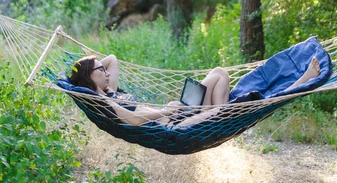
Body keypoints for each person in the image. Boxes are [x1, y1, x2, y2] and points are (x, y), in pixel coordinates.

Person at [69, 52, 321, 129]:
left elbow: (112, 58)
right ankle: (301, 81)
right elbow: (133, 119)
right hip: (170, 128)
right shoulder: (102, 100)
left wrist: (87, 65)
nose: (108, 72)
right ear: (90, 78)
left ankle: (217, 112)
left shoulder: (109, 90)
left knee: (220, 73)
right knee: (236, 108)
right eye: (101, 70)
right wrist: (165, 111)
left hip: (178, 114)